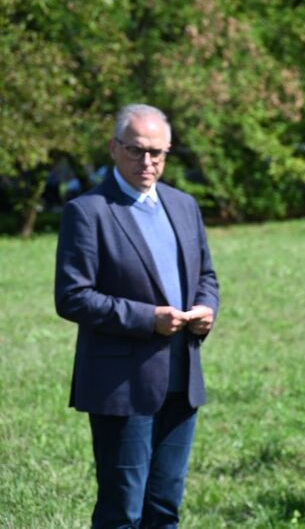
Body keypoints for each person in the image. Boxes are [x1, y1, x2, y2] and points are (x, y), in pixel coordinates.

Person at [55, 104, 220, 528]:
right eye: (136, 150)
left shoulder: (184, 206)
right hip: (121, 385)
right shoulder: (87, 211)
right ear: (114, 148)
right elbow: (72, 297)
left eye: (158, 153)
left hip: (181, 379)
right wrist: (147, 318)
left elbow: (206, 275)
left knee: (165, 507)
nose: (147, 162)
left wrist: (207, 309)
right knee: (122, 511)